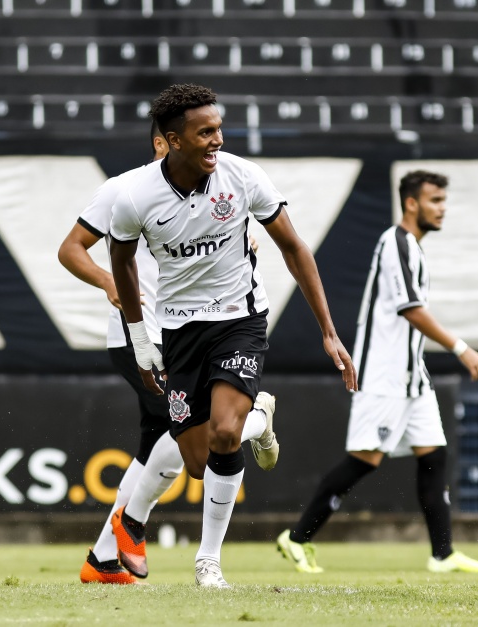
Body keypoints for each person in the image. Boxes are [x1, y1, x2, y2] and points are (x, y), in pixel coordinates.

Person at [109, 83, 356, 588]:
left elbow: (293, 248)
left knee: (224, 432)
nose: (218, 140)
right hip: (178, 331)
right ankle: (259, 415)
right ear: (173, 141)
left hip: (239, 320)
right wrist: (140, 341)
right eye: (206, 132)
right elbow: (123, 267)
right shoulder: (134, 197)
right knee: (198, 462)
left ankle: (208, 563)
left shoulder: (243, 177)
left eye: (220, 128)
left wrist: (328, 332)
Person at [60, 122, 280, 585]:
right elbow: (71, 249)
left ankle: (102, 559)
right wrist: (109, 285)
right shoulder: (125, 189)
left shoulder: (218, 185)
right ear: (163, 141)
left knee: (159, 449)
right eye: (189, 138)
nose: (210, 149)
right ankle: (131, 525)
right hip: (142, 338)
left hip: (194, 331)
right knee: (185, 447)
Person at [276, 170, 478, 575]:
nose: (441, 209)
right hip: (384, 375)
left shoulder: (412, 246)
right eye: (434, 201)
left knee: (434, 454)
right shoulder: (396, 243)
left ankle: (442, 555)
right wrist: (461, 348)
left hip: (413, 379)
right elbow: (410, 309)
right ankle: (296, 537)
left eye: (444, 201)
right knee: (365, 459)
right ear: (411, 203)